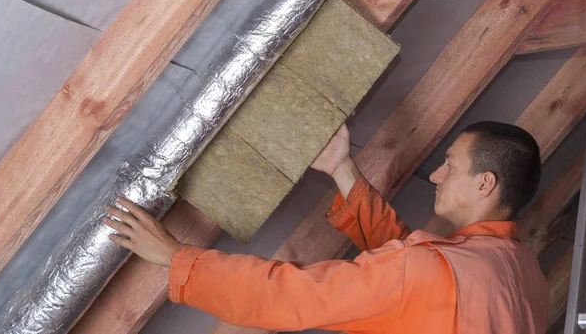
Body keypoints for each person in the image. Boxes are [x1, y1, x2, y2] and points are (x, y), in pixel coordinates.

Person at [104, 121, 549, 333]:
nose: (434, 175)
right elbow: (406, 270)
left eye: (449, 166)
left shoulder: (431, 272)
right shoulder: (522, 274)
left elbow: (290, 296)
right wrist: (341, 168)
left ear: (484, 183)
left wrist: (172, 256)